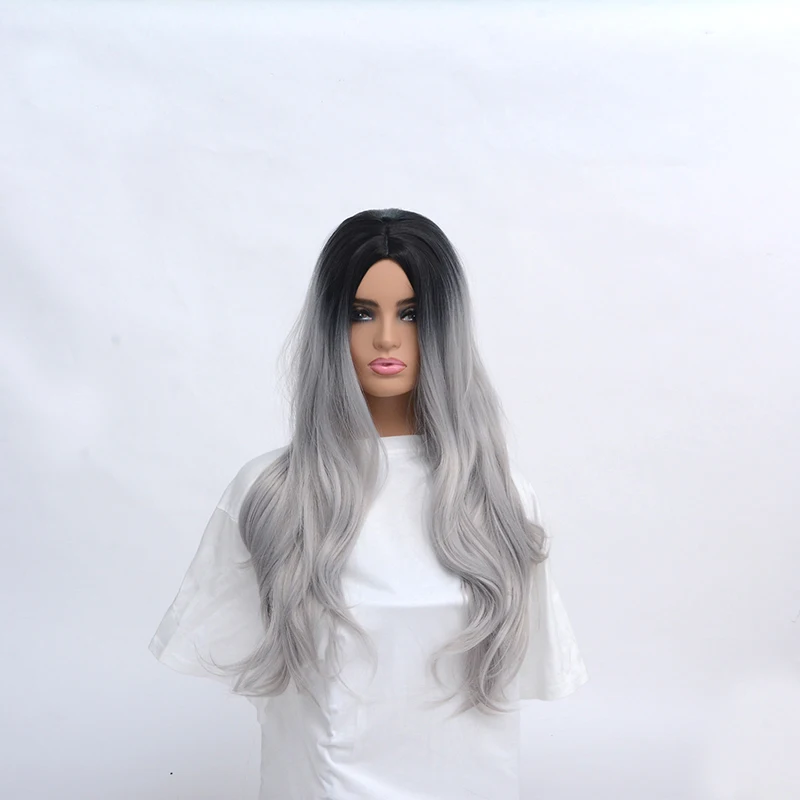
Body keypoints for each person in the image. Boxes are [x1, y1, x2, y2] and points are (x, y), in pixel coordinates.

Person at [149, 208, 589, 799]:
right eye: (362, 313)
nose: (386, 338)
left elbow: (529, 669)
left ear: (445, 327)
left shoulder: (499, 499)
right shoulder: (273, 495)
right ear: (331, 326)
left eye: (411, 314)